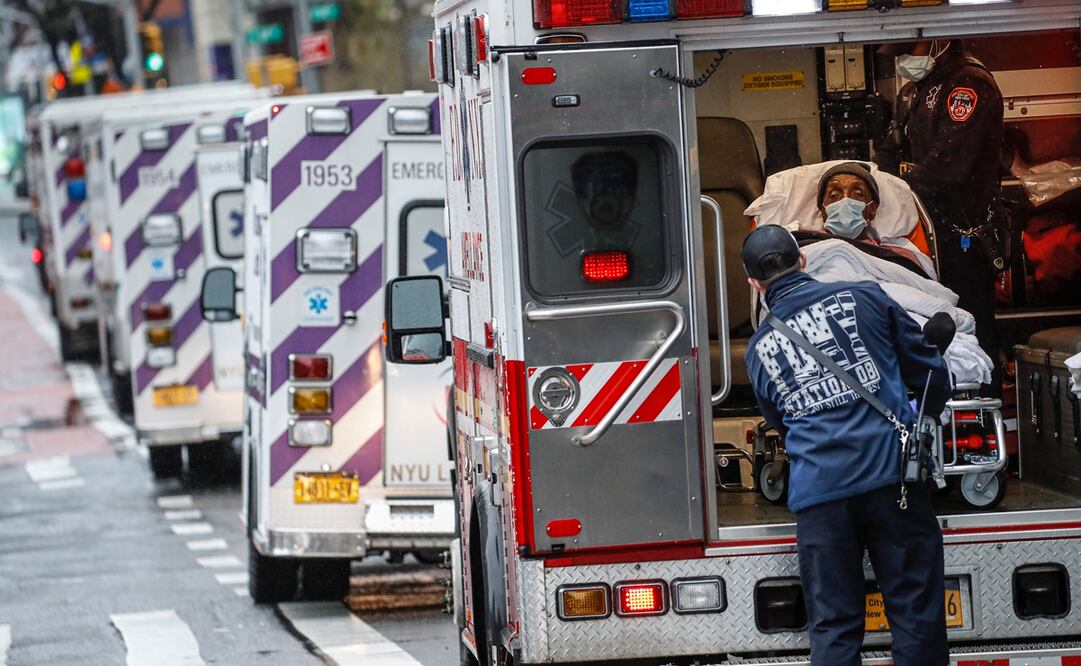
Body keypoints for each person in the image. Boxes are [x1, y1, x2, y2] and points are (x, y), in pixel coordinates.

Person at [742, 225, 951, 666]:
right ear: (803, 260)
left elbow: (780, 424)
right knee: (916, 614)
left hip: (820, 497)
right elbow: (929, 370)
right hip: (893, 479)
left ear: (754, 284)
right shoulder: (865, 296)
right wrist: (922, 421)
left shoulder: (758, 350)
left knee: (834, 627)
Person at [874, 39, 1005, 393]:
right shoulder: (913, 91)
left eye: (909, 49)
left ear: (937, 40)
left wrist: (898, 194)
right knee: (928, 327)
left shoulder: (968, 83)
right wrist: (873, 187)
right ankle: (936, 407)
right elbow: (889, 152)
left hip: (964, 235)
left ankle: (984, 409)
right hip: (923, 235)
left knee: (972, 327)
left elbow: (948, 165)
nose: (903, 59)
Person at [811, 161, 929, 276]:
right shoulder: (805, 249)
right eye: (834, 195)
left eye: (857, 194)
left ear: (872, 210)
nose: (845, 201)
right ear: (823, 211)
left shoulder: (897, 259)